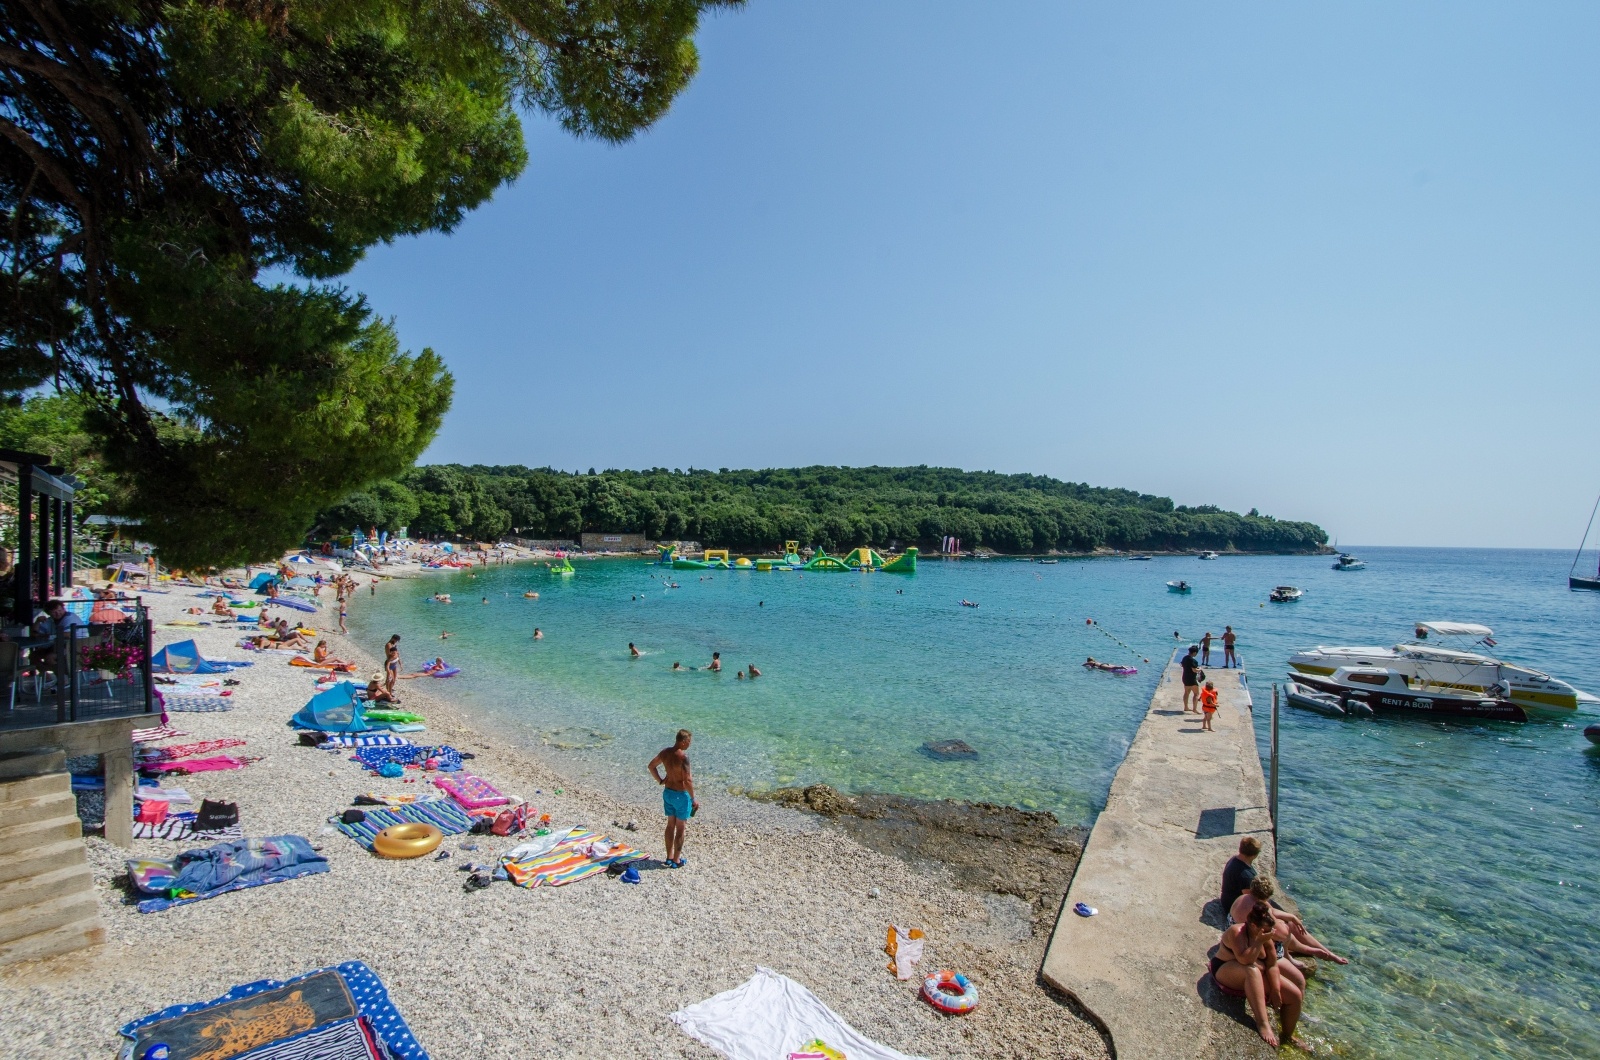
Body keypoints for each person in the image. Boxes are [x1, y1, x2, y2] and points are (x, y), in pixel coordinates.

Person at [1211, 902, 1304, 1049]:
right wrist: (1258, 942)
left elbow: (1272, 965)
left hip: (1253, 976)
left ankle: (1287, 1035)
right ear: (1254, 926)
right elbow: (1244, 960)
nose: (1271, 933)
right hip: (1225, 970)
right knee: (1251, 970)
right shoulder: (1237, 932)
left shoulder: (1266, 937)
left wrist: (1275, 990)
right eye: (1267, 930)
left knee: (1295, 995)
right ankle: (1263, 1023)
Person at [1230, 876, 1348, 967]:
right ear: (1266, 897)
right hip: (1248, 940)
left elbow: (1271, 910)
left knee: (1290, 923)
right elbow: (1283, 935)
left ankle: (1323, 952)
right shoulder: (1258, 909)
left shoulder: (1244, 897)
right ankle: (1303, 952)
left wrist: (1292, 917)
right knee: (1287, 931)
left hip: (1236, 929)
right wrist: (1284, 923)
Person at [648, 729, 698, 868]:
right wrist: (693, 799)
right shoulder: (683, 757)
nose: (689, 744)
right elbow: (687, 780)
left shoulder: (665, 752)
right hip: (681, 795)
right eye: (688, 742)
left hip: (668, 793)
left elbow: (651, 766)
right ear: (682, 741)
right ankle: (676, 860)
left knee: (670, 825)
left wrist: (660, 780)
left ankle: (669, 857)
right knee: (681, 828)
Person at [1221, 836, 1261, 911]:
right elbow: (1250, 899)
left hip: (1226, 899)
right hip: (1233, 907)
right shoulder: (1246, 876)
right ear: (1254, 855)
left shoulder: (1234, 859)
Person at [1180, 645, 1203, 712]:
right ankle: (1194, 709)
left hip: (1185, 677)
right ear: (1194, 653)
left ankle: (1186, 707)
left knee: (1186, 692)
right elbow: (1194, 670)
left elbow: (1182, 665)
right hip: (1191, 678)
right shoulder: (1193, 660)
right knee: (1196, 694)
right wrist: (1200, 669)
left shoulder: (1185, 658)